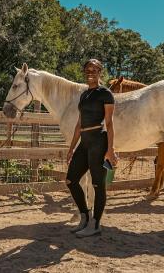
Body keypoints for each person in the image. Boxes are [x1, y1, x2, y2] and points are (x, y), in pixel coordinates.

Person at [65, 58, 118, 237]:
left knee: (97, 184)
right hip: (84, 141)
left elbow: (109, 124)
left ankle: (96, 224)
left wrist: (110, 150)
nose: (91, 72)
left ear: (100, 72)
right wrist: (71, 148)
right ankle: (85, 217)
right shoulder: (84, 95)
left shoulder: (106, 93)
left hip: (98, 140)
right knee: (71, 180)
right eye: (88, 69)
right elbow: (79, 124)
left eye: (94, 69)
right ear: (84, 71)